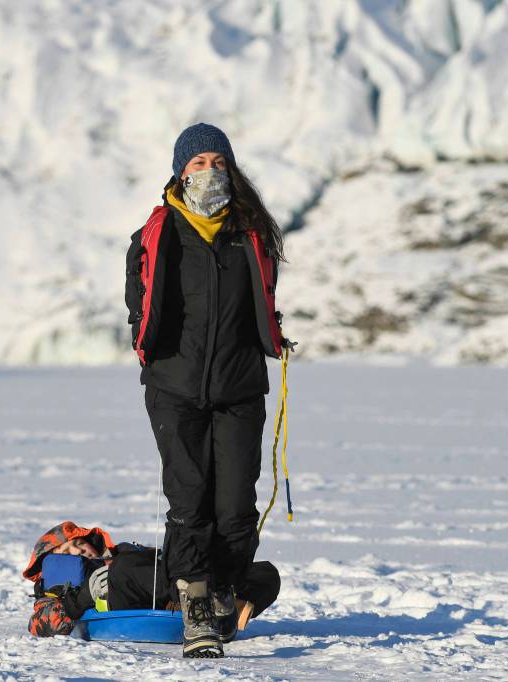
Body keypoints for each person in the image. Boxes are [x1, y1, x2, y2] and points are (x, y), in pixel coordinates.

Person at [124, 123, 287, 658]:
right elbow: (138, 303)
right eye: (198, 163)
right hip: (175, 386)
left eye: (219, 162)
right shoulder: (158, 232)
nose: (209, 171)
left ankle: (222, 593)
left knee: (236, 503)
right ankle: (193, 603)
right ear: (179, 172)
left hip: (241, 386)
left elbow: (261, 298)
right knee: (189, 499)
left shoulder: (251, 232)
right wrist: (145, 348)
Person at [22, 521, 280, 640]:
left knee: (265, 573)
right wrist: (83, 597)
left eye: (79, 544)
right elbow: (40, 624)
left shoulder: (121, 552)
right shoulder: (53, 586)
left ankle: (217, 605)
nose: (78, 551)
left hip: (168, 592)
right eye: (66, 553)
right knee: (123, 570)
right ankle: (210, 604)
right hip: (127, 608)